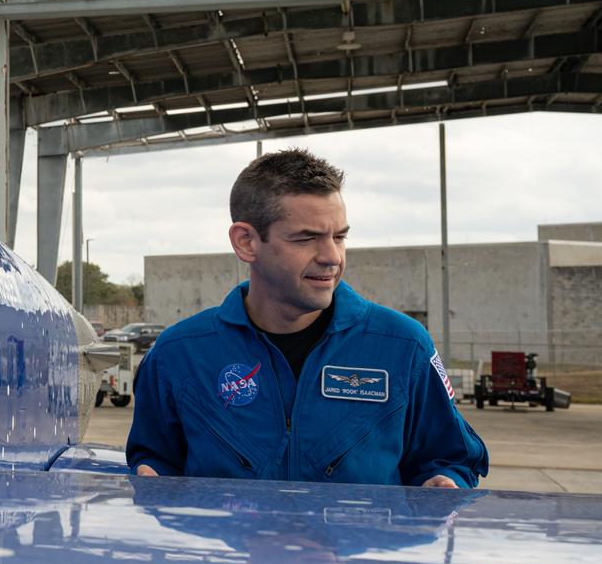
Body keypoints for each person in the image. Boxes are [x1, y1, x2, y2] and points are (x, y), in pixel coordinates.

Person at [126, 148, 487, 487]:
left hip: (355, 556)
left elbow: (451, 457)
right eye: (307, 239)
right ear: (246, 242)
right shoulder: (179, 354)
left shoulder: (404, 346)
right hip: (230, 556)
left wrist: (446, 481)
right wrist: (150, 474)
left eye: (340, 237)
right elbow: (155, 457)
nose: (332, 256)